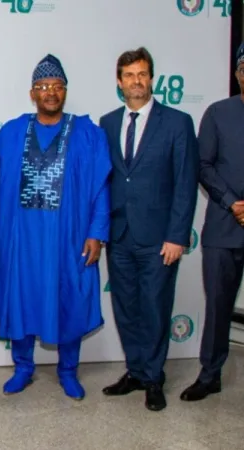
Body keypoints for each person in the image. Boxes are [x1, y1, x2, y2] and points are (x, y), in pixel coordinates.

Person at [0, 54, 111, 400]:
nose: (50, 92)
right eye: (43, 86)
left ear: (65, 91)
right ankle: (23, 367)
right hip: (21, 239)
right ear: (32, 93)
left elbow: (101, 187)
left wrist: (96, 233)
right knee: (20, 296)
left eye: (56, 86)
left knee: (70, 295)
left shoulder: (88, 134)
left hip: (68, 239)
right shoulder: (12, 133)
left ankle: (68, 370)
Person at [100, 47, 199, 411]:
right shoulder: (108, 123)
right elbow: (106, 180)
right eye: (129, 75)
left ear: (152, 79)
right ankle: (137, 371)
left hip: (160, 239)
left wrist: (178, 235)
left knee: (155, 308)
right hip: (120, 234)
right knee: (126, 307)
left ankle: (154, 378)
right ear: (119, 82)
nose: (136, 81)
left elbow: (186, 184)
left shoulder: (177, 122)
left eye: (142, 74)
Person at [180, 43, 244, 402]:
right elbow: (203, 165)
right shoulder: (218, 113)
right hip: (224, 226)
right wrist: (232, 202)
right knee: (219, 306)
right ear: (238, 73)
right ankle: (210, 374)